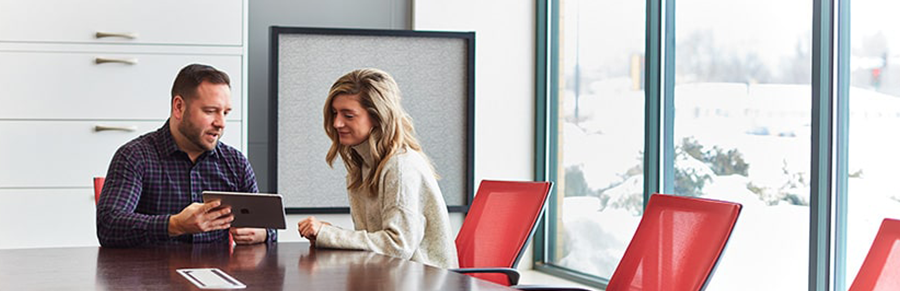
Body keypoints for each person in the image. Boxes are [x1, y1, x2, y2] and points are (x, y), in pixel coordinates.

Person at [96, 64, 276, 247]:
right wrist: (174, 225)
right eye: (210, 111)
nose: (221, 123)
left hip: (216, 273)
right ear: (179, 107)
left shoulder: (236, 163)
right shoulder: (134, 156)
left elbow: (268, 226)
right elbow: (109, 226)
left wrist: (262, 233)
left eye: (225, 113)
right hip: (152, 274)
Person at [297, 68, 458, 269]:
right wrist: (329, 236)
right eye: (334, 113)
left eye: (348, 115)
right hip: (391, 277)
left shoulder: (400, 167)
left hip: (422, 282)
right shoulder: (362, 166)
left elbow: (398, 246)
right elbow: (379, 242)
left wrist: (329, 235)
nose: (337, 123)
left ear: (377, 116)